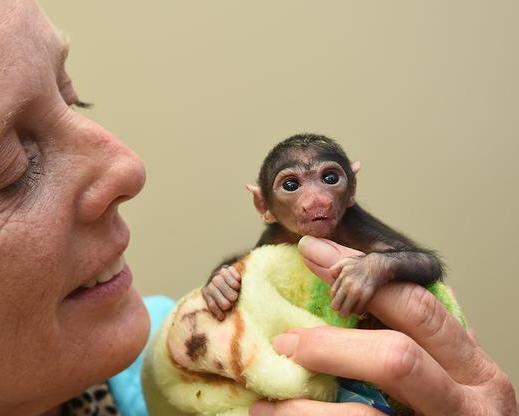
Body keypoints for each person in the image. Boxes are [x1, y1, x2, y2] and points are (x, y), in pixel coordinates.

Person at [0, 1, 516, 415]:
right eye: (11, 166)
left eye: (74, 99)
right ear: (264, 206)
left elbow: (416, 262)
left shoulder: (175, 349)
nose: (129, 168)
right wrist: (226, 276)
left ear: (352, 185)